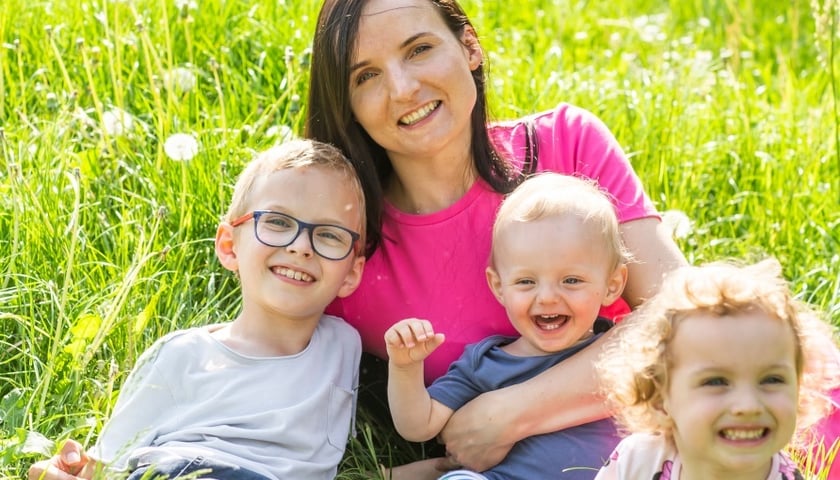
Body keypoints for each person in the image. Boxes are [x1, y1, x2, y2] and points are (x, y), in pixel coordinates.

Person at [306, 0, 687, 475]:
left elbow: (686, 320)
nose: (403, 89)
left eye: (419, 49)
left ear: (469, 47)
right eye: (365, 76)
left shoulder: (567, 144)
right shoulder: (349, 247)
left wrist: (510, 415)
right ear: (347, 106)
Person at [27, 139, 367, 480]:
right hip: (188, 469)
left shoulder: (342, 346)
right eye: (277, 222)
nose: (300, 246)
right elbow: (105, 466)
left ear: (352, 273)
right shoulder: (182, 354)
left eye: (329, 235)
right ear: (229, 245)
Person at [384, 173, 629, 479]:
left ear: (613, 284)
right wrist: (406, 368)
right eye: (526, 281)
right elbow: (418, 426)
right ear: (498, 286)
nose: (548, 298)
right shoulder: (487, 363)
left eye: (571, 280)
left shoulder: (622, 355)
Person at [593, 259, 840, 480]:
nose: (748, 406)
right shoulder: (637, 461)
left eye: (772, 379)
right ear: (660, 400)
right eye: (716, 382)